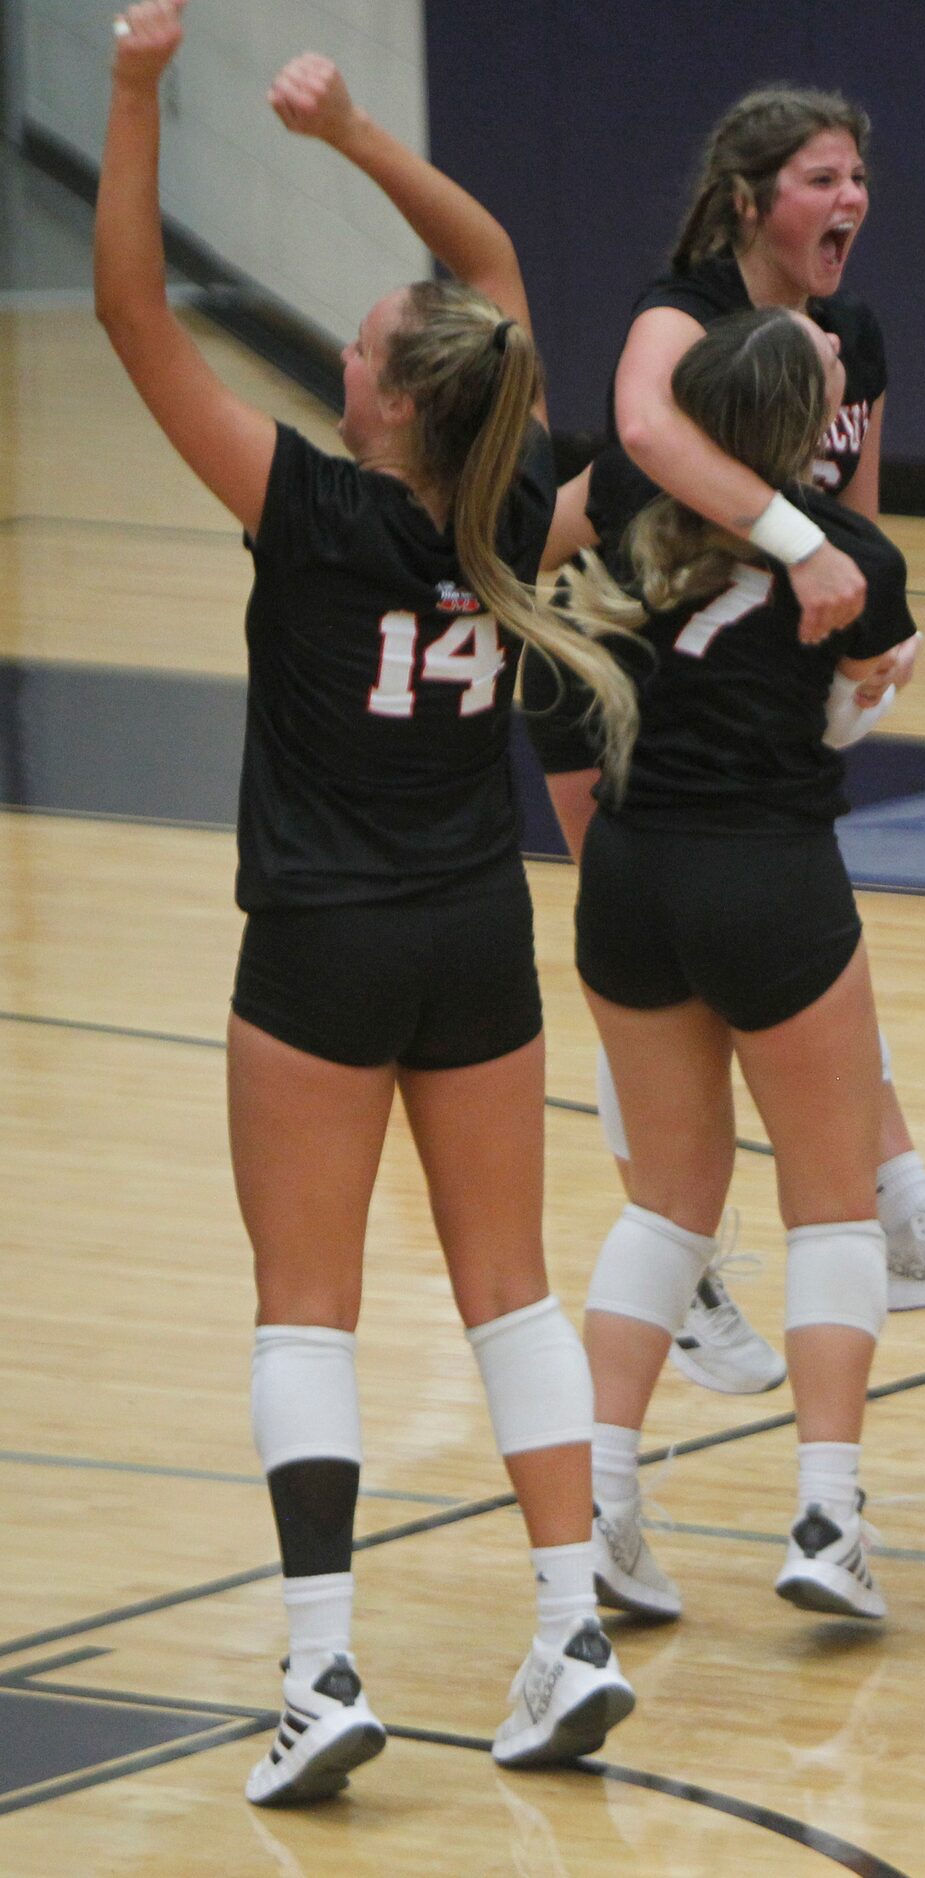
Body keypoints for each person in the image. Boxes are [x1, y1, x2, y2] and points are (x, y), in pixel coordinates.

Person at [94, 6, 642, 1800]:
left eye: (365, 339)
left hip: (322, 944)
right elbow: (482, 265)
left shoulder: (310, 506)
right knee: (510, 1294)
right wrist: (349, 142)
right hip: (477, 936)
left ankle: (322, 1667)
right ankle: (568, 1627)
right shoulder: (520, 503)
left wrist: (132, 90)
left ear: (391, 398)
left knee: (305, 1307)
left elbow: (127, 316)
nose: (347, 339)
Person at [535, 86, 925, 1398]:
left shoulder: (852, 336)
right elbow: (647, 434)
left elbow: (860, 524)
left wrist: (860, 613)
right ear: (750, 194)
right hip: (613, 659)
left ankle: (894, 1207)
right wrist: (802, 544)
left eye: (859, 179)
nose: (852, 202)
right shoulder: (683, 309)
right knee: (654, 966)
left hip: (743, 682)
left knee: (794, 952)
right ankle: (687, 1261)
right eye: (824, 178)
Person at [560, 305, 918, 1625]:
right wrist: (869, 683)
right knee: (828, 1205)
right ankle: (828, 1517)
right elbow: (842, 716)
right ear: (796, 432)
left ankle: (599, 1505)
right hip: (766, 872)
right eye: (828, 385)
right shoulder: (857, 560)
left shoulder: (631, 533)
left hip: (630, 871)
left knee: (665, 1203)